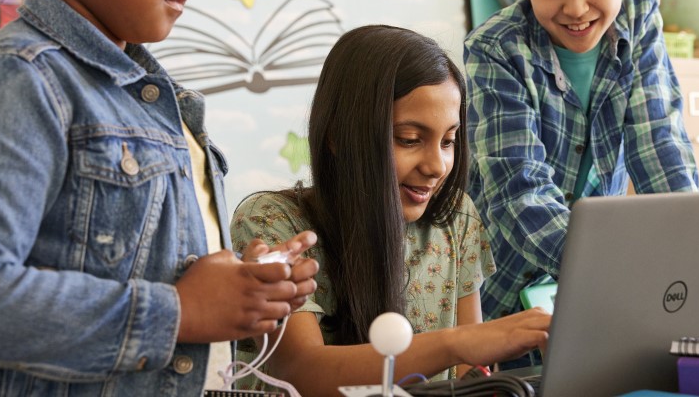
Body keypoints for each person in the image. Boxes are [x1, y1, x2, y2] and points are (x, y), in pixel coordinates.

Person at [0, 0, 318, 395]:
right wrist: (179, 312)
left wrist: (239, 282)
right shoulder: (23, 76)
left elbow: (138, 263)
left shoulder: (160, 99)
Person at [230, 25, 551, 396]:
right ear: (338, 136)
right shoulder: (272, 221)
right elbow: (301, 372)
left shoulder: (457, 218)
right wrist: (458, 342)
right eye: (409, 140)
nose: (437, 166)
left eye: (448, 141)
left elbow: (471, 379)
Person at [464, 0, 699, 324]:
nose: (575, 6)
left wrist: (693, 255)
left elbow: (661, 147)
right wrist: (611, 270)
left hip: (603, 288)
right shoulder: (496, 48)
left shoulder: (639, 15)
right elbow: (519, 192)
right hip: (505, 291)